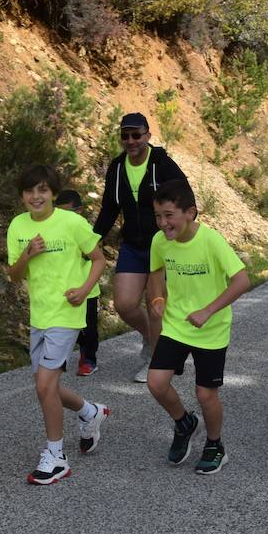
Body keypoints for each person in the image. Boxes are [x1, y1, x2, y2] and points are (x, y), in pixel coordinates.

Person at [8, 165, 110, 485]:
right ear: (22, 196)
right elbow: (14, 274)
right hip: (39, 315)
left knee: (43, 386)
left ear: (53, 193)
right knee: (46, 384)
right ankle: (90, 412)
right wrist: (27, 254)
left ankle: (56, 457)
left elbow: (98, 259)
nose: (36, 196)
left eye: (43, 190)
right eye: (30, 191)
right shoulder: (18, 226)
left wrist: (83, 290)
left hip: (67, 314)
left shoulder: (72, 223)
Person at [145, 179, 252, 475]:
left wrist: (208, 311)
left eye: (169, 215)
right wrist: (157, 296)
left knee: (206, 395)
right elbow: (155, 270)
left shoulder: (211, 241)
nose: (163, 223)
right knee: (156, 382)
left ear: (190, 212)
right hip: (177, 325)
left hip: (212, 329)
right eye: (158, 216)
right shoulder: (159, 241)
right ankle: (184, 422)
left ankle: (216, 444)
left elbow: (242, 280)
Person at [93, 112, 190, 383]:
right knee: (124, 304)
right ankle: (152, 338)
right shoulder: (116, 167)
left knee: (154, 302)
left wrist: (184, 230)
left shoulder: (162, 163)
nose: (131, 140)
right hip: (133, 245)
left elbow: (185, 195)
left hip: (162, 245)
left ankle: (155, 362)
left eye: (136, 135)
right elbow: (109, 208)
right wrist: (92, 239)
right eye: (125, 136)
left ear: (148, 135)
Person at [55, 189, 101, 376]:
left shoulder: (82, 227)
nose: (63, 217)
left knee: (88, 328)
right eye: (59, 212)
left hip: (86, 288)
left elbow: (92, 254)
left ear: (79, 211)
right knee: (62, 326)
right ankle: (59, 361)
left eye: (68, 212)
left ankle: (89, 359)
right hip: (62, 288)